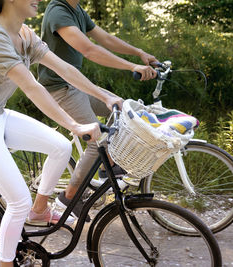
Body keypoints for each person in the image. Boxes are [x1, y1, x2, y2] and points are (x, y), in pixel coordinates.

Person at [0, 0, 122, 266]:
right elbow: (32, 87)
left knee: (61, 147)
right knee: (18, 202)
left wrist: (105, 97)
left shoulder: (23, 33)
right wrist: (75, 125)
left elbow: (64, 69)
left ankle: (39, 211)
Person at [38, 0, 158, 221]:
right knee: (97, 141)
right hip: (59, 89)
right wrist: (132, 66)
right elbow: (90, 50)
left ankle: (106, 166)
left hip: (75, 84)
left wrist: (139, 52)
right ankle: (69, 197)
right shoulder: (58, 11)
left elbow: (106, 39)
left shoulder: (78, 11)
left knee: (121, 110)